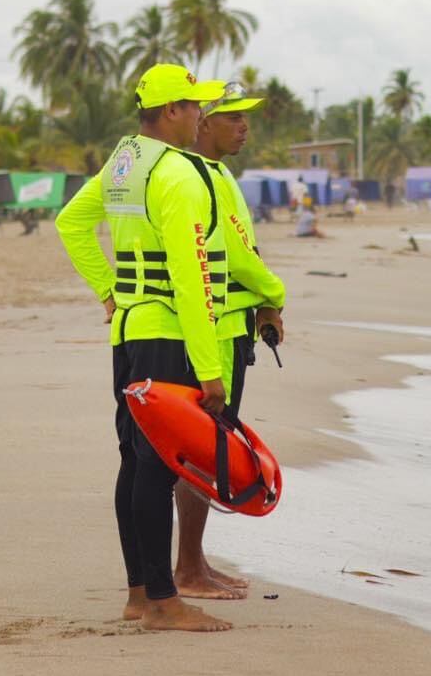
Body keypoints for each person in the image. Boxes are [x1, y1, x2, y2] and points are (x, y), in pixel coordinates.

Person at [55, 64, 232, 633]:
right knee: (159, 466)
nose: (201, 115)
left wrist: (111, 291)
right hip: (167, 337)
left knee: (135, 461)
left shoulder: (125, 161)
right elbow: (193, 279)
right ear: (173, 111)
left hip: (128, 333)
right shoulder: (177, 175)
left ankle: (139, 593)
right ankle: (162, 601)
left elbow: (71, 223)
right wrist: (210, 372)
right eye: (195, 106)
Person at [178, 80, 288, 599]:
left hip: (229, 324)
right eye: (233, 118)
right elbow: (241, 256)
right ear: (203, 122)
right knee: (202, 449)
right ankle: (187, 568)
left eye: (247, 118)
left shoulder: (217, 173)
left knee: (204, 448)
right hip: (214, 332)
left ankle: (194, 559)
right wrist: (275, 292)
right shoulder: (202, 176)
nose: (244, 127)